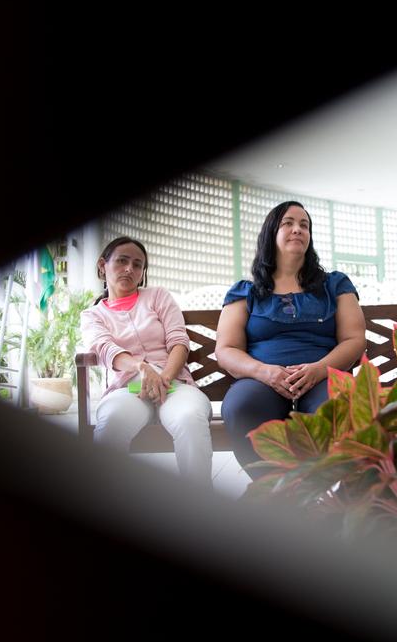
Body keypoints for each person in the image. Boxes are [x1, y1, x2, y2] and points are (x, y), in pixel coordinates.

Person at [215, 201, 366, 479]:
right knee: (241, 406)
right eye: (288, 223)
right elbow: (226, 349)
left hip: (323, 375)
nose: (297, 229)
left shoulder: (334, 285)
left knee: (338, 406)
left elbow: (354, 339)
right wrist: (265, 372)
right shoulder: (245, 291)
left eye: (304, 225)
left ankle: (318, 493)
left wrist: (319, 369)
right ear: (271, 232)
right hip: (262, 377)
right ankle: (275, 494)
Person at [80, 236, 213, 487]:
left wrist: (162, 379)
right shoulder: (92, 315)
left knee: (189, 418)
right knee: (111, 422)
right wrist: (142, 367)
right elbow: (106, 350)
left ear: (142, 273)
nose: (130, 268)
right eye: (122, 261)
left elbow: (178, 342)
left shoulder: (158, 296)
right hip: (126, 390)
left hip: (175, 384)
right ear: (102, 265)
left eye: (138, 265)